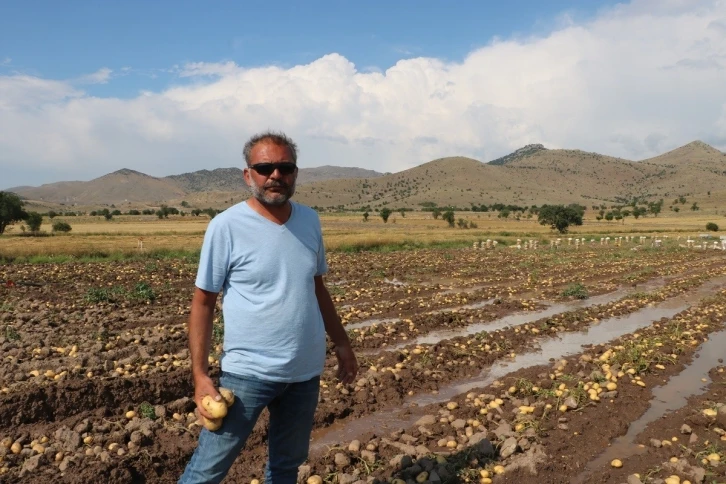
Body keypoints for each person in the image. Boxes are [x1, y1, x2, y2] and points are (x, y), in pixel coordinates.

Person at [179, 131, 358, 484]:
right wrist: (200, 376)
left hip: (304, 375)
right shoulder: (226, 226)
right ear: (248, 175)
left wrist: (341, 343)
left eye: (285, 167)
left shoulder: (310, 221)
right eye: (264, 168)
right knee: (207, 471)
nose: (275, 175)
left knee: (285, 470)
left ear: (295, 173)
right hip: (248, 375)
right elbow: (203, 302)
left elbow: (317, 288)